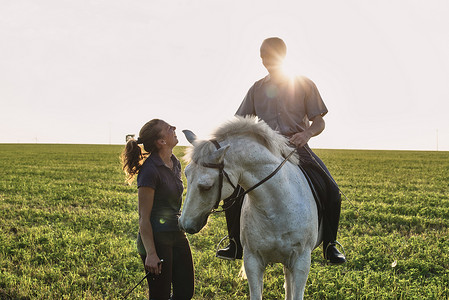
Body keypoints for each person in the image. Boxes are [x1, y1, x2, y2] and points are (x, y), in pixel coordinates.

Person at [216, 37, 346, 264]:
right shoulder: (256, 88)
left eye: (270, 55)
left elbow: (319, 122)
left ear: (282, 55)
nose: (265, 60)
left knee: (332, 191)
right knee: (234, 191)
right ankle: (236, 243)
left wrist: (306, 134)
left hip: (296, 147)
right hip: (264, 150)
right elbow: (240, 121)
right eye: (262, 56)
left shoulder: (304, 84)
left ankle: (330, 246)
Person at [121, 119, 195, 300]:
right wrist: (151, 254)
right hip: (156, 238)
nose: (174, 128)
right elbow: (143, 218)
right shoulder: (150, 170)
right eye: (169, 128)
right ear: (161, 141)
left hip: (177, 233)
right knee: (160, 296)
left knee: (185, 292)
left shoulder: (175, 163)